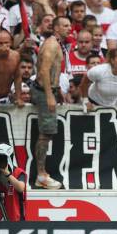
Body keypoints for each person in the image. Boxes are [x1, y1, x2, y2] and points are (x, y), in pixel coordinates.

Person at [31, 17, 70, 190]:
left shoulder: (55, 42)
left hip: (50, 89)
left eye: (69, 25)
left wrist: (57, 91)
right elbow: (44, 70)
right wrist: (49, 95)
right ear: (56, 28)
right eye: (65, 25)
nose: (69, 28)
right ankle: (41, 175)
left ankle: (42, 174)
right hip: (43, 90)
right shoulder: (52, 45)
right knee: (45, 134)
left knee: (46, 134)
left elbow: (53, 70)